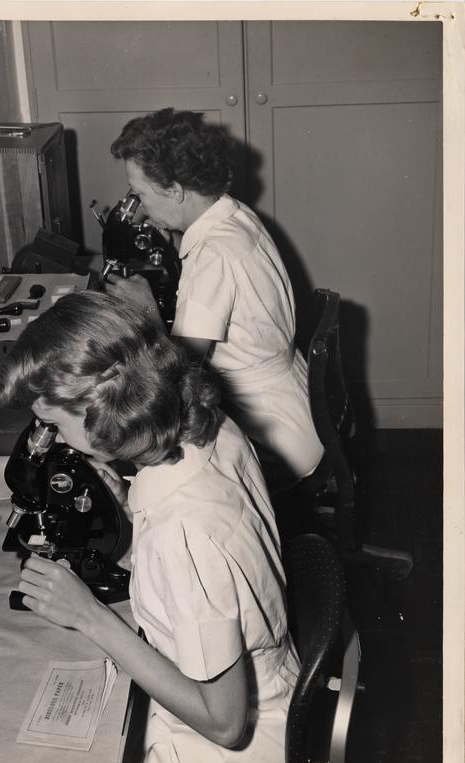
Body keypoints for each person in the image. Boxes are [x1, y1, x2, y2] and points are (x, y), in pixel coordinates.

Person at [0, 290, 311, 763]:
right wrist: (129, 504)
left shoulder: (179, 536)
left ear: (102, 418)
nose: (53, 439)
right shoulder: (211, 426)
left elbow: (225, 723)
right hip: (275, 702)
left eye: (58, 426)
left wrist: (88, 616)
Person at [105, 107, 324, 491]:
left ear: (175, 190)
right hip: (296, 401)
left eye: (139, 193)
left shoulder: (213, 255)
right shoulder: (235, 215)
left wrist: (145, 308)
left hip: (271, 433)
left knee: (141, 447)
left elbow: (181, 371)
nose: (137, 204)